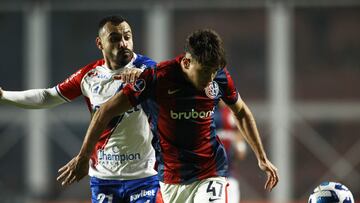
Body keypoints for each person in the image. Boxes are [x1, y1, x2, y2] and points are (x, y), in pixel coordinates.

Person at [57, 28, 279, 203]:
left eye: (213, 73)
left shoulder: (219, 77)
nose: (209, 80)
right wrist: (84, 156)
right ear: (186, 62)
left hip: (210, 172)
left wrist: (262, 157)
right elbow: (105, 111)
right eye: (204, 73)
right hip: (170, 180)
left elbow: (241, 112)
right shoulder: (157, 78)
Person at [0, 16, 163, 203]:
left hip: (145, 176)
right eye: (115, 38)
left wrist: (145, 76)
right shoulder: (89, 76)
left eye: (127, 37)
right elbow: (47, 96)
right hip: (104, 179)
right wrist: (4, 96)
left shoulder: (147, 68)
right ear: (99, 43)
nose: (123, 43)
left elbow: (165, 81)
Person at [214, 100, 248, 203]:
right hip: (209, 174)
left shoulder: (230, 113)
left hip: (228, 172)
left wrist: (240, 146)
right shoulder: (209, 112)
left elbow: (239, 132)